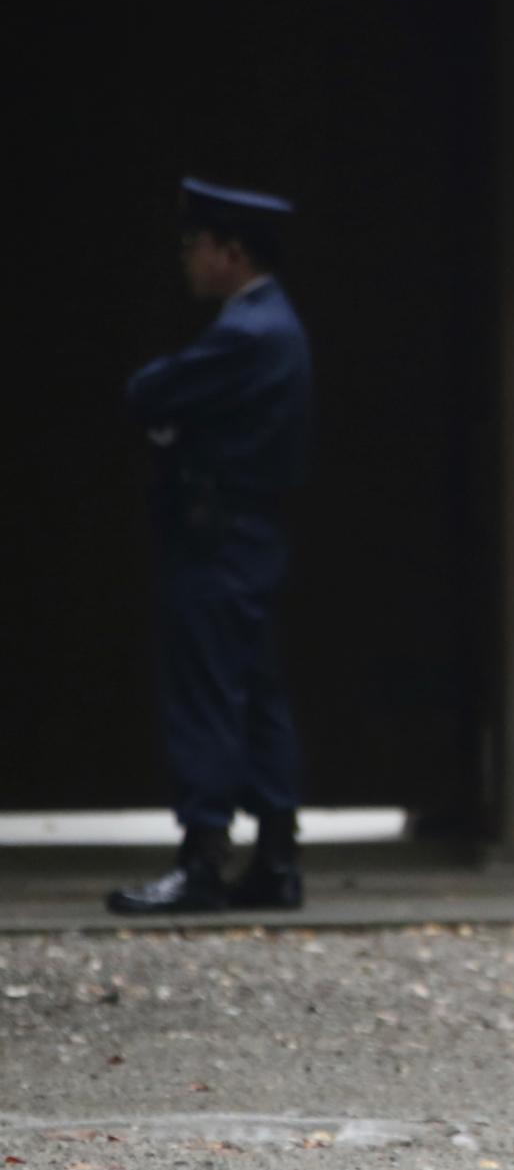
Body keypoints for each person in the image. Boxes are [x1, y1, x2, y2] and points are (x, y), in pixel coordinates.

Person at [110, 179, 316, 916]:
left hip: (217, 537)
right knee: (258, 695)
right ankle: (278, 857)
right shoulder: (274, 324)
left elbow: (149, 390)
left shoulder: (246, 331)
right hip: (251, 536)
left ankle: (202, 859)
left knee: (206, 695)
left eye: (197, 244)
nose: (188, 258)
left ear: (231, 251)